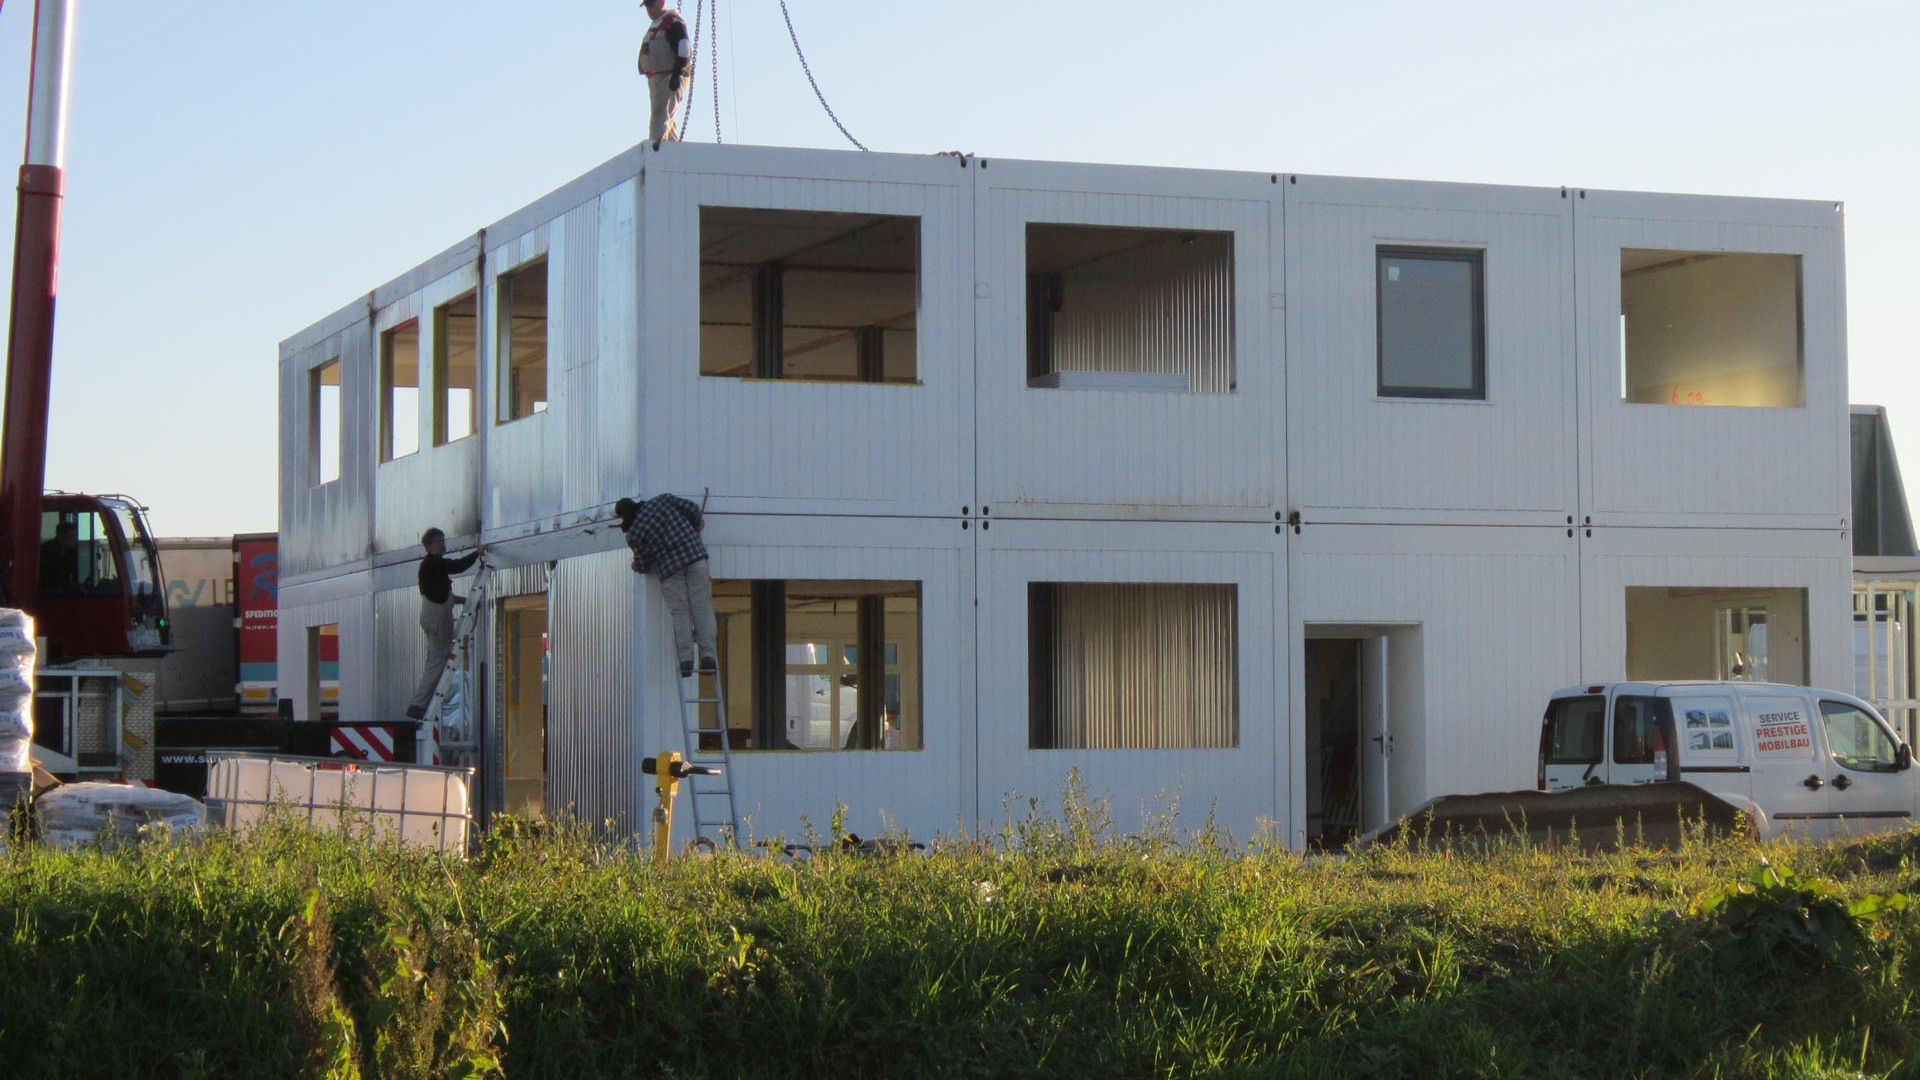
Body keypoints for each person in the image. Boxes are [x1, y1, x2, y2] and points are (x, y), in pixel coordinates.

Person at [615, 493, 715, 678]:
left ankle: (686, 660)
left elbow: (643, 564)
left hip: (670, 569)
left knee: (680, 612)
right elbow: (692, 509)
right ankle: (708, 655)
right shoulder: (663, 501)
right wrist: (696, 525)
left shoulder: (634, 533)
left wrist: (634, 565)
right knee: (701, 606)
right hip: (695, 557)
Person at [405, 527, 486, 720]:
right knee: (437, 662)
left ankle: (422, 704)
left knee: (437, 660)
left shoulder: (433, 567)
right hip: (437, 618)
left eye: (443, 540)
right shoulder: (433, 563)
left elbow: (445, 596)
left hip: (436, 615)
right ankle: (419, 705)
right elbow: (457, 566)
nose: (442, 544)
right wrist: (477, 553)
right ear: (429, 546)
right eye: (438, 541)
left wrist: (465, 601)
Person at [638, 0, 692, 146]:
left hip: (668, 76)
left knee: (660, 116)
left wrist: (676, 75)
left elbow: (684, 47)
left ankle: (656, 149)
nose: (649, 9)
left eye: (651, 4)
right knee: (667, 120)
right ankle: (672, 151)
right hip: (656, 78)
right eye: (647, 6)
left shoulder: (672, 21)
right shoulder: (658, 23)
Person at [39, 519, 81, 593]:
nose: (75, 540)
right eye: (71, 537)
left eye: (75, 536)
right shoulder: (46, 551)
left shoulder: (72, 552)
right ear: (61, 537)